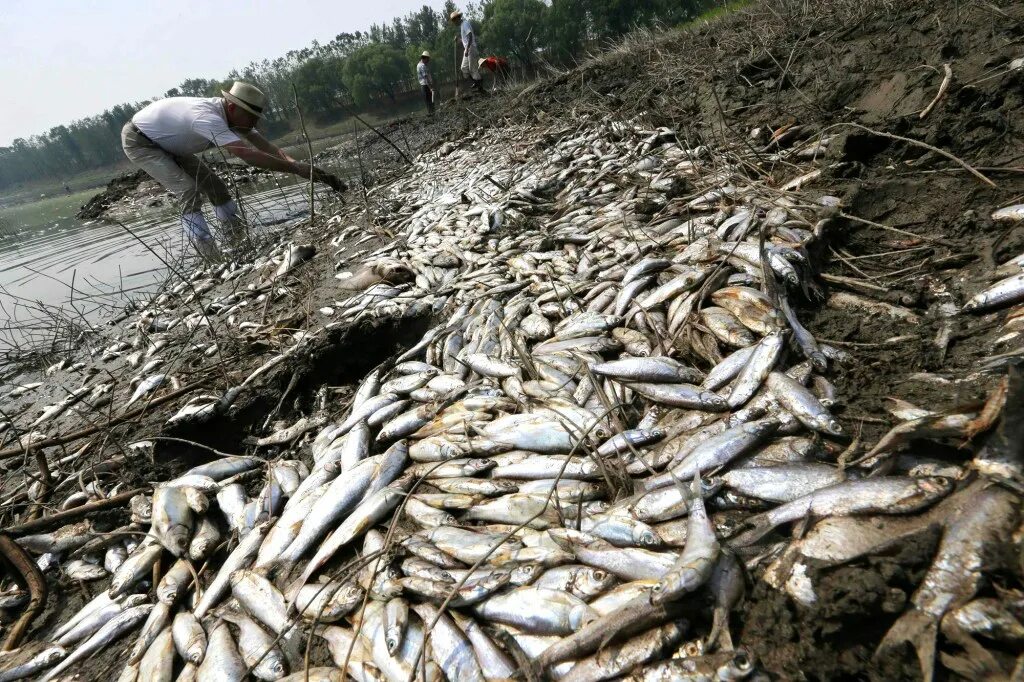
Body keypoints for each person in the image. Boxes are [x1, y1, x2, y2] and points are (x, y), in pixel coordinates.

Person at [121, 82, 345, 261]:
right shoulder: (208, 118)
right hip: (141, 141)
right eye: (250, 116)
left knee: (217, 188)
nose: (254, 122)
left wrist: (297, 164)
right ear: (232, 107)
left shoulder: (234, 117)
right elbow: (247, 154)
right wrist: (295, 169)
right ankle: (210, 257)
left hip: (169, 142)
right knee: (188, 190)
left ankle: (235, 241)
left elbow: (265, 146)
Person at [450, 10, 484, 94]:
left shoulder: (465, 24)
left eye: (454, 20)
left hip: (471, 48)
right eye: (453, 21)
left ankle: (480, 87)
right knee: (464, 68)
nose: (454, 23)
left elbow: (470, 36)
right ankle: (476, 83)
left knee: (472, 69)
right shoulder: (462, 26)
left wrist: (467, 48)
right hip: (468, 49)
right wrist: (459, 40)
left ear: (458, 18)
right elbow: (465, 39)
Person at [417, 51, 435, 116]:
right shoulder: (422, 66)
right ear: (425, 58)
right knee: (430, 103)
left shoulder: (419, 64)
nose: (428, 60)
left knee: (428, 103)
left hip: (424, 87)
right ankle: (433, 115)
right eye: (428, 59)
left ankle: (432, 115)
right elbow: (426, 78)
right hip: (426, 86)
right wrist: (430, 88)